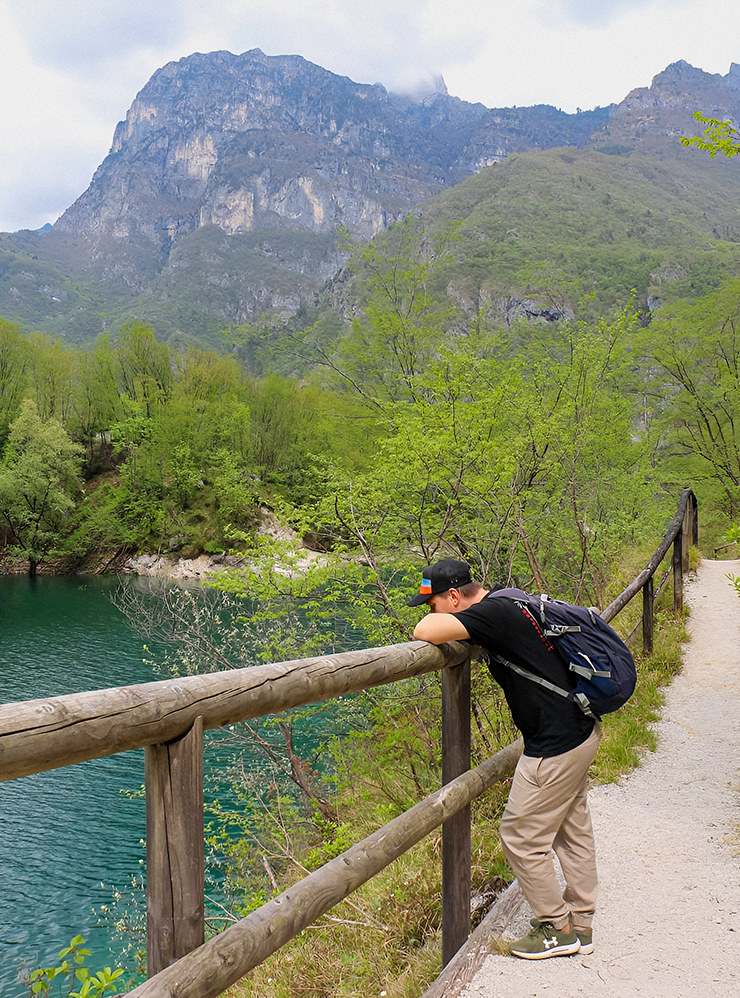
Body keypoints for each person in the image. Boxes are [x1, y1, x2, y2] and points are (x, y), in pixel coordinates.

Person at [409, 558, 601, 959]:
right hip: (579, 729)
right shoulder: (508, 600)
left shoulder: (491, 613)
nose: (430, 611)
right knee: (570, 826)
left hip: (555, 744)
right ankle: (580, 923)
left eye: (433, 602)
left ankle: (556, 927)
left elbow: (423, 631)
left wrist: (439, 622)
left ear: (455, 596)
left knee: (519, 836)